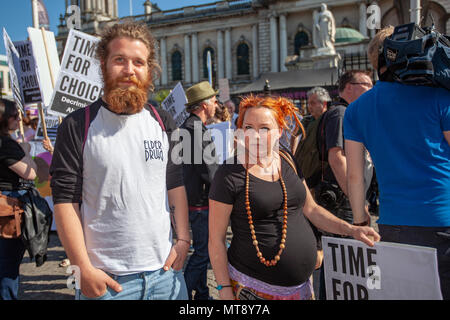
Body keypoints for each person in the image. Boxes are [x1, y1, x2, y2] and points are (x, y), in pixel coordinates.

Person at [49, 22, 190, 300]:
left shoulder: (164, 121)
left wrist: (184, 239)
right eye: (120, 60)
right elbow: (65, 201)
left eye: (138, 62)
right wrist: (81, 268)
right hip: (107, 281)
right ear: (103, 64)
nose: (129, 70)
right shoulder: (77, 124)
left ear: (148, 69)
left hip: (166, 276)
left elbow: (174, 184)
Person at [208, 94, 380, 300]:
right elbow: (216, 240)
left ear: (279, 131)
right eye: (248, 127)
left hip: (302, 289)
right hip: (254, 291)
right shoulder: (229, 174)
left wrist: (351, 229)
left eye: (264, 128)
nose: (255, 135)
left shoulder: (287, 159)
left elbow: (312, 209)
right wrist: (224, 289)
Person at [344, 26, 450, 300]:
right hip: (443, 218)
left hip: (393, 223)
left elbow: (354, 176)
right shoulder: (439, 97)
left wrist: (360, 219)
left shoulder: (356, 109)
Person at [180, 81, 219, 300]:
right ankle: (182, 294)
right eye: (214, 101)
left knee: (201, 250)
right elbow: (209, 170)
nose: (216, 104)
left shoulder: (190, 126)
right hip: (200, 200)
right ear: (204, 106)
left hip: (194, 198)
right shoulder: (195, 129)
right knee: (203, 252)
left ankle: (202, 295)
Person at [0, 98, 37, 300]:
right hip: (8, 206)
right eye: (14, 116)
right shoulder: (6, 144)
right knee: (8, 264)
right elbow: (30, 173)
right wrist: (25, 151)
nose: (18, 120)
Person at [293, 87, 331, 189]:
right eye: (309, 103)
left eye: (313, 103)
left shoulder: (329, 120)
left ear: (324, 104)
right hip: (302, 172)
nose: (309, 106)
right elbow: (294, 138)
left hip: (318, 175)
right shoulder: (307, 121)